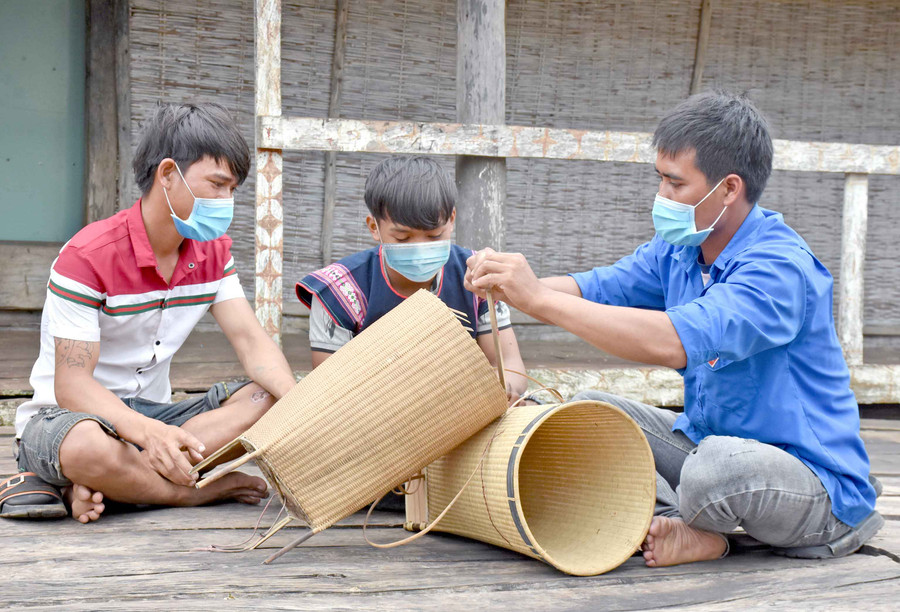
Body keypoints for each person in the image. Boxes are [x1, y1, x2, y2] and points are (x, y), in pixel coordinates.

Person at [465, 91, 881, 567]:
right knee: (591, 413)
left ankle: (711, 530)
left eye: (675, 183)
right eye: (659, 179)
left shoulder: (779, 269)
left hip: (813, 485)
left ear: (728, 189)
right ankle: (684, 527)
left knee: (715, 468)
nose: (661, 196)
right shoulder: (681, 249)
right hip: (713, 448)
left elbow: (672, 341)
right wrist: (512, 282)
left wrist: (535, 298)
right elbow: (601, 287)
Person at [1, 103, 296, 524]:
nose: (226, 201)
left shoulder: (213, 254)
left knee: (266, 396)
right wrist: (148, 434)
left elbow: (253, 344)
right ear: (169, 174)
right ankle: (191, 493)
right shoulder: (87, 257)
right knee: (87, 446)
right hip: (67, 420)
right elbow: (72, 386)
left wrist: (301, 405)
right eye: (217, 185)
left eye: (233, 190)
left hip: (156, 416)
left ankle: (115, 485)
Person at [296, 156, 528, 403]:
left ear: (451, 219)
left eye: (433, 235)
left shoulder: (478, 277)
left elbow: (510, 367)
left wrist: (505, 390)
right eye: (403, 238)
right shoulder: (338, 292)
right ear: (374, 227)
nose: (419, 249)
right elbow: (328, 390)